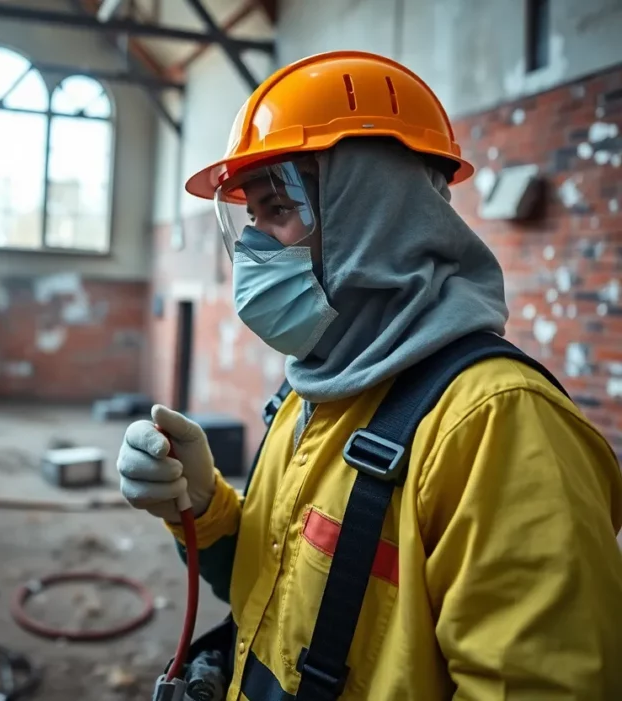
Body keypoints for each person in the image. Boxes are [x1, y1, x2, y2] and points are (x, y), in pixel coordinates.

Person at [117, 50, 622, 699]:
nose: (253, 247)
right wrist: (202, 507)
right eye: (250, 219)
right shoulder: (310, 388)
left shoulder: (499, 425)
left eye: (277, 209)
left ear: (372, 214)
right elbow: (274, 586)